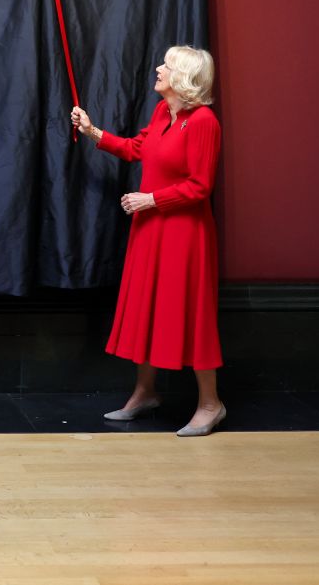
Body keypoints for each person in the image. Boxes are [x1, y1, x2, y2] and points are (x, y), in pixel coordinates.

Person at [70, 45, 224, 437]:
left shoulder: (203, 122)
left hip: (185, 235)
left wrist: (150, 199)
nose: (159, 68)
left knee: (192, 313)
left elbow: (201, 186)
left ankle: (211, 404)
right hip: (151, 229)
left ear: (183, 78)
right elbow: (137, 149)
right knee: (148, 306)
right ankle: (145, 392)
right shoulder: (162, 112)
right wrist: (92, 131)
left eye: (167, 65)